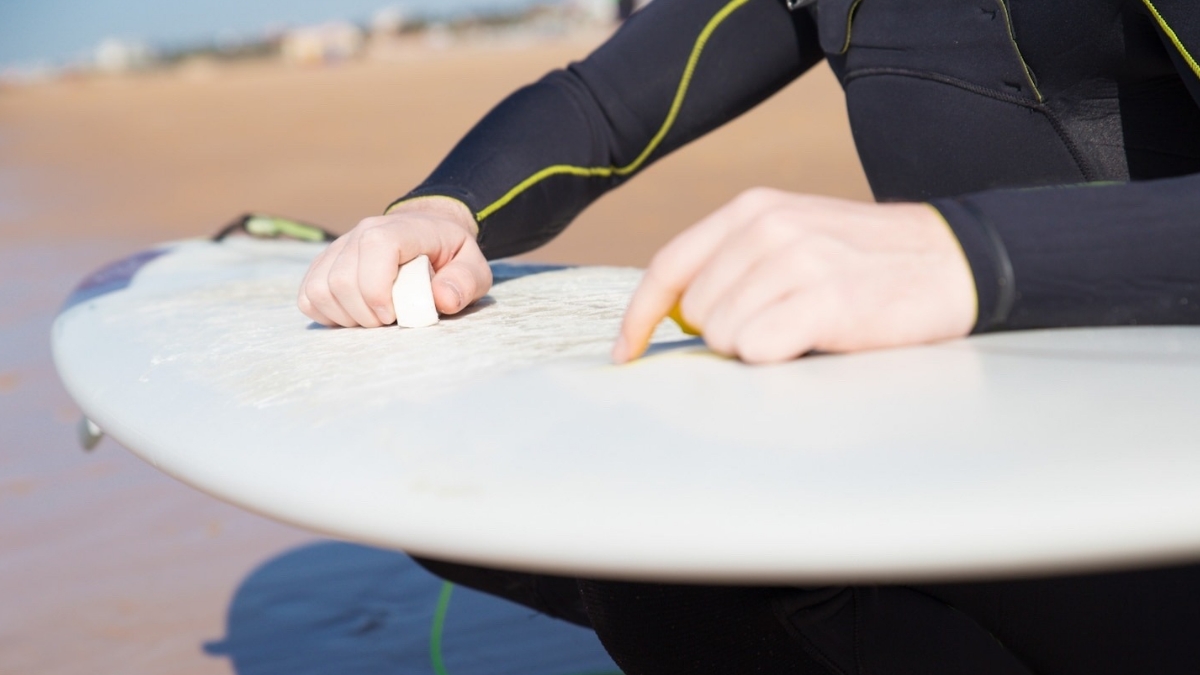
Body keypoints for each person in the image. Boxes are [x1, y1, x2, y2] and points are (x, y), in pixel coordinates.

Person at [297, 0, 1200, 672]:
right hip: (989, 457)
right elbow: (601, 104)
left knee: (678, 561)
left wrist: (967, 253)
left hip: (1154, 506)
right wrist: (441, 210)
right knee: (492, 496)